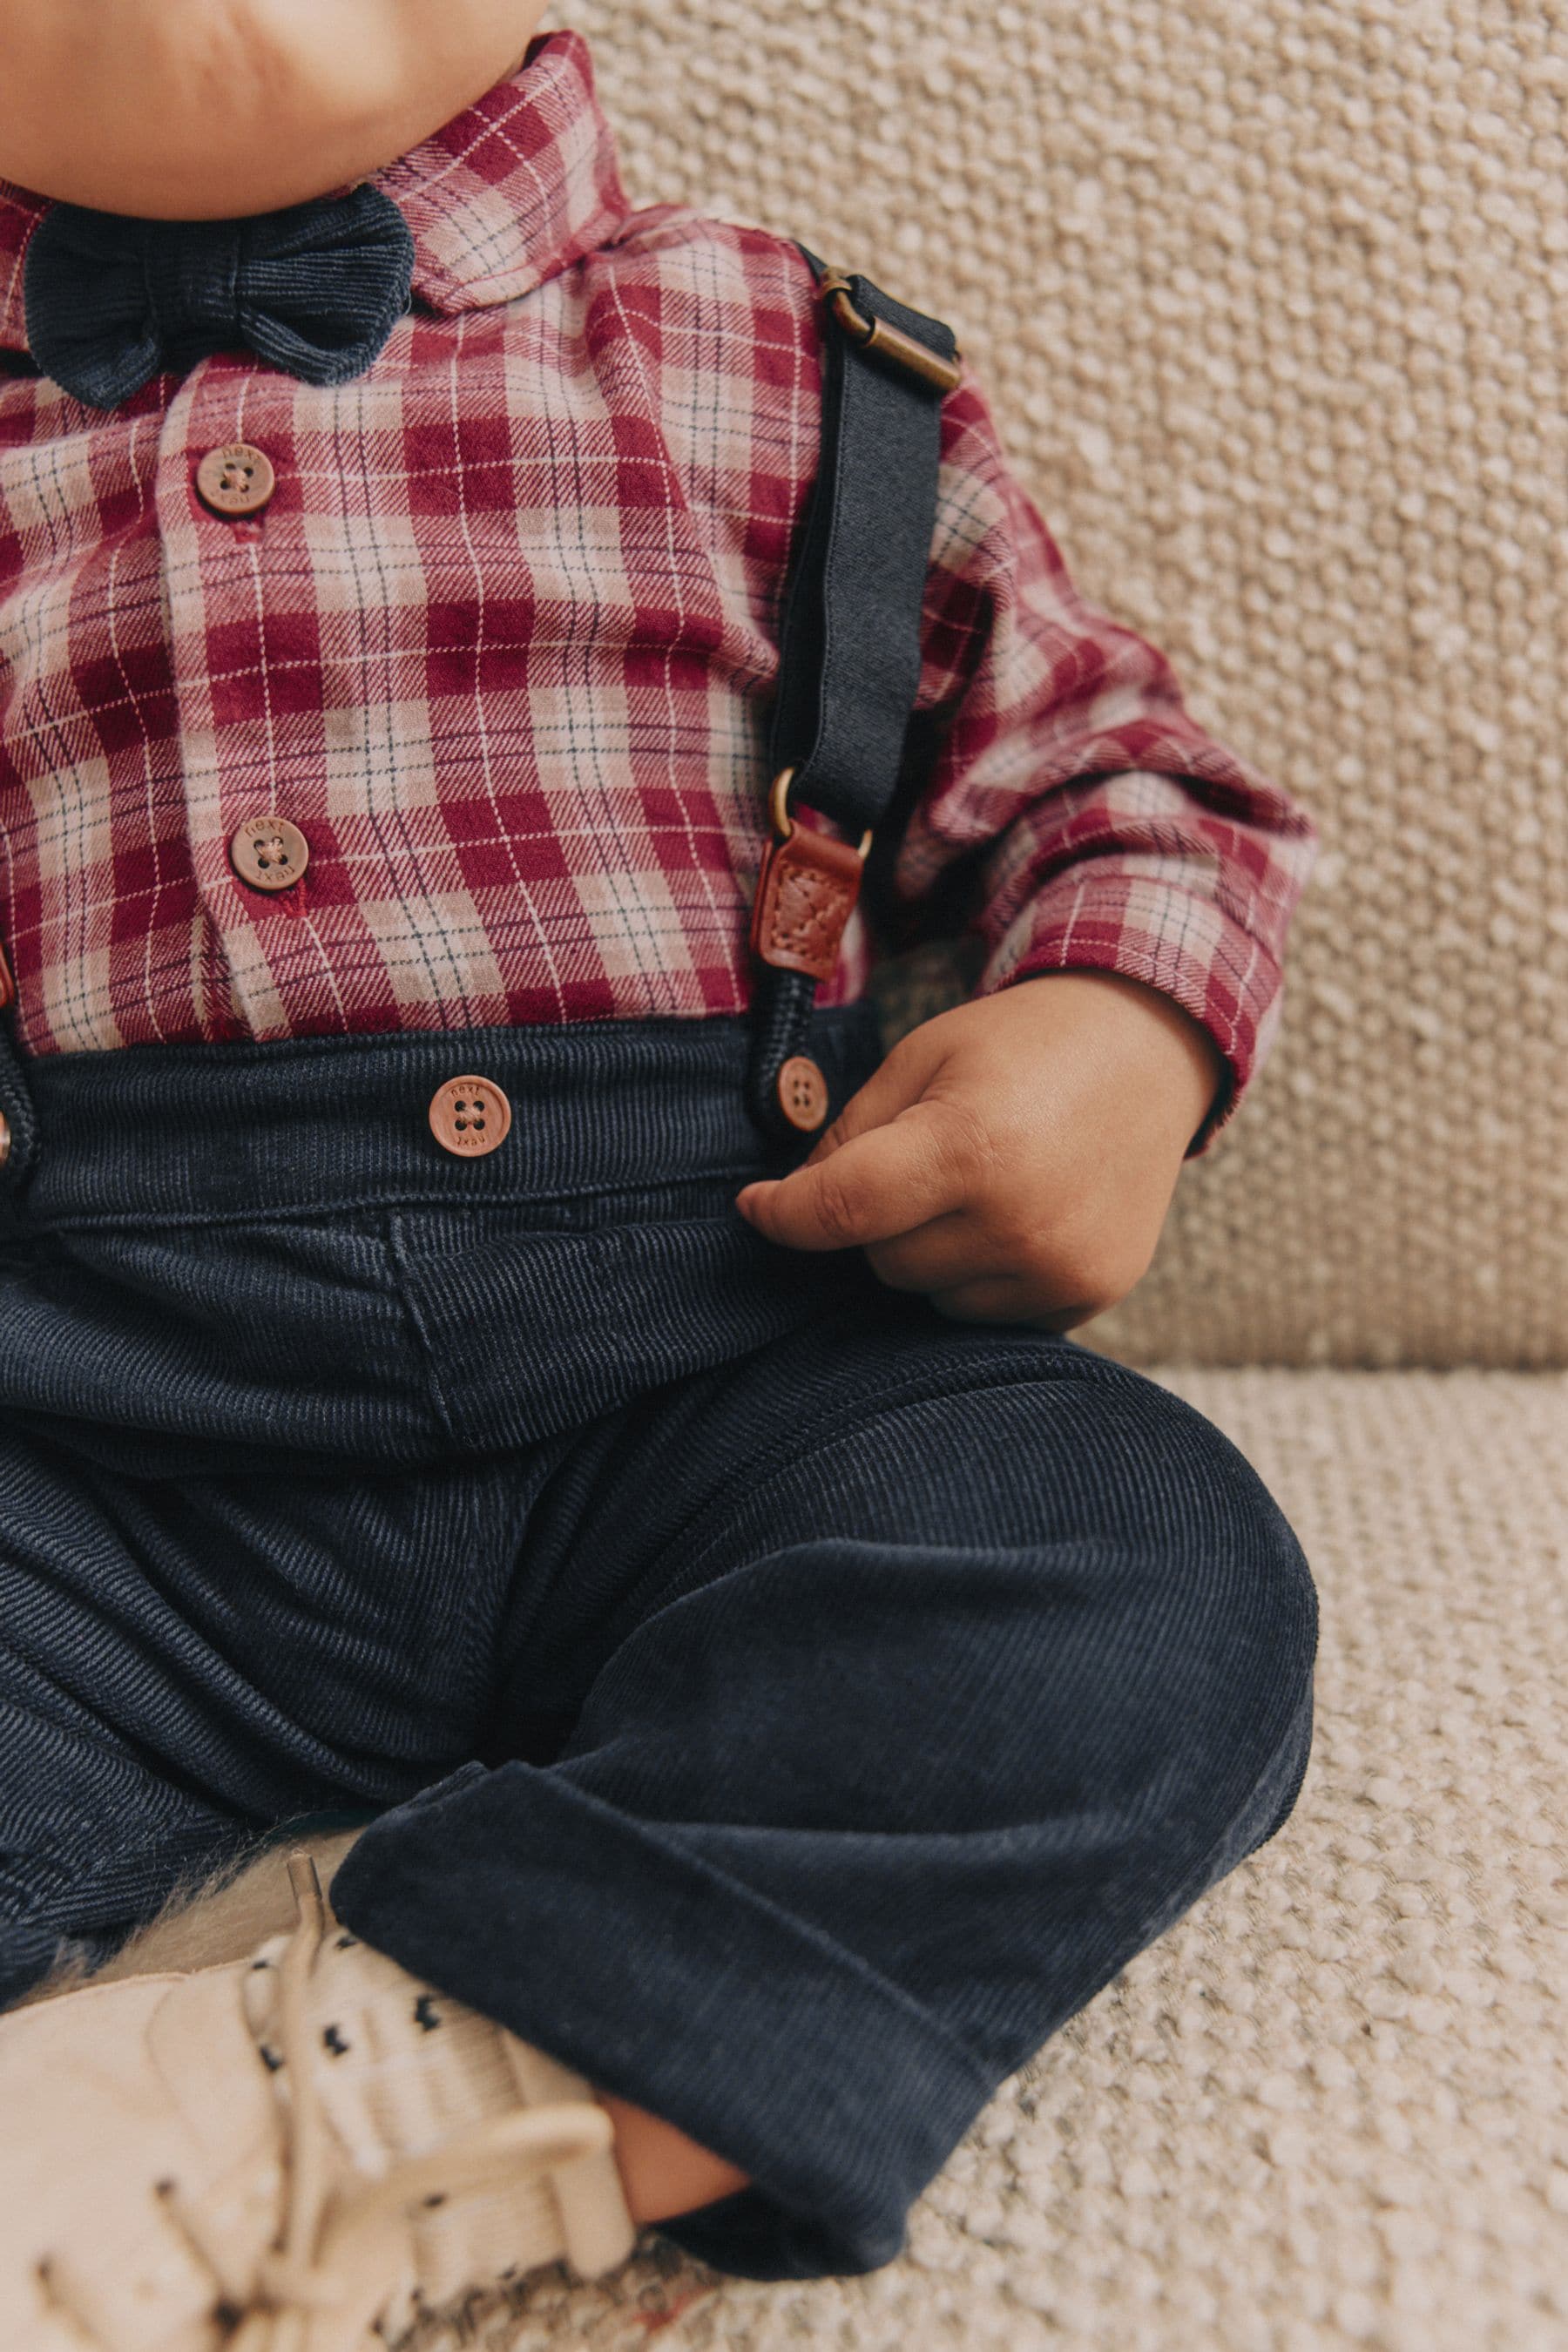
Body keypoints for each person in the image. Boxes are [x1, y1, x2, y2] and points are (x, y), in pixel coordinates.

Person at [0, 4, 1319, 2344]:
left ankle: (373, 2114)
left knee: (1140, 1567)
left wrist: (1115, 1036)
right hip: (98, 1472)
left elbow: (1130, 782)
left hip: (707, 1379)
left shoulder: (782, 358)